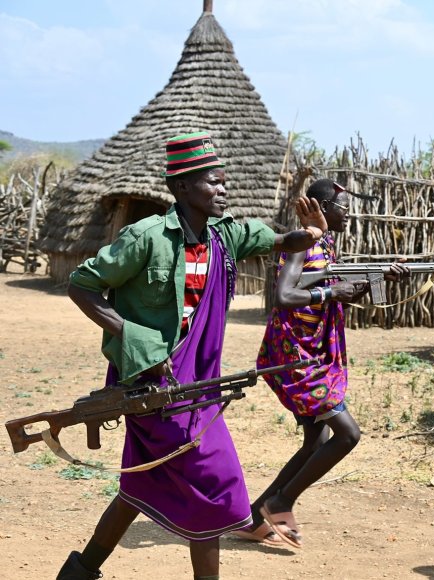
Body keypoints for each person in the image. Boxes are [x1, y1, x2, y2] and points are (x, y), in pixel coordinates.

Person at [57, 131, 328, 580]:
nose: (224, 190)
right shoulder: (146, 237)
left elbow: (283, 241)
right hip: (150, 383)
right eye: (213, 182)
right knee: (214, 479)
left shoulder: (227, 236)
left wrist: (315, 232)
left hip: (197, 383)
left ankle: (81, 571)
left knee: (145, 482)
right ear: (182, 188)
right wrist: (136, 341)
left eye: (224, 182)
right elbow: (82, 285)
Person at [235, 177, 408, 549]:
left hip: (310, 353)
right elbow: (283, 294)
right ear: (322, 208)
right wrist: (330, 290)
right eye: (342, 207)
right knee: (348, 435)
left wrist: (379, 277)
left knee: (317, 441)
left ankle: (253, 519)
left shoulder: (326, 243)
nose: (348, 214)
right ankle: (280, 502)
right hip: (296, 356)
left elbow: (335, 291)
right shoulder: (305, 240)